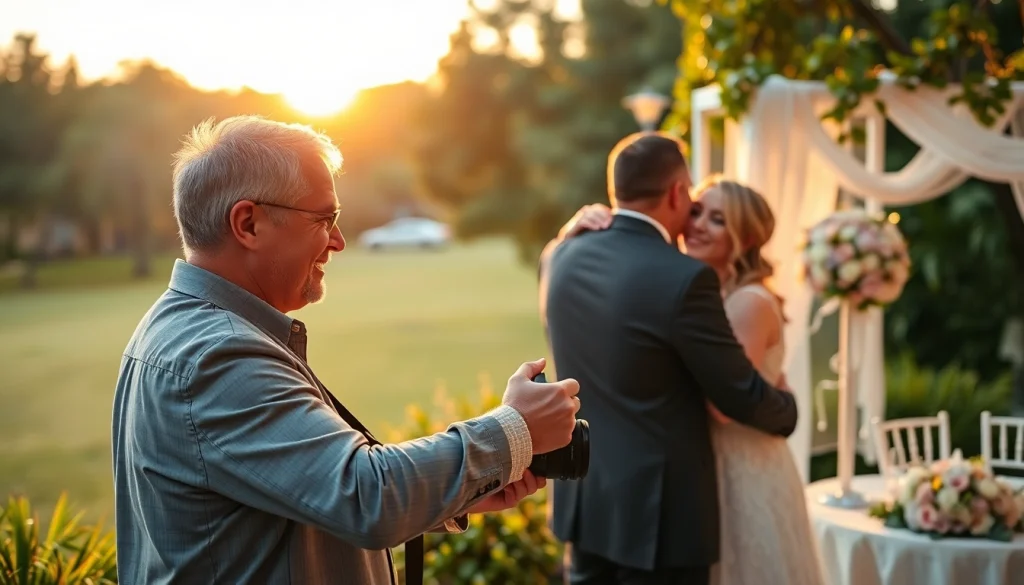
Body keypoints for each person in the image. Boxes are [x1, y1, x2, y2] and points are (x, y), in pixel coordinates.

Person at [111, 115, 582, 585]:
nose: (337, 241)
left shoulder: (178, 330)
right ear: (248, 223)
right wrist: (516, 430)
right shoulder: (217, 356)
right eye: (324, 219)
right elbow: (366, 496)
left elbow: (303, 486)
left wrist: (460, 491)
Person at [537, 132, 799, 585]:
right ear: (678, 192)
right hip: (660, 521)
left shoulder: (560, 255)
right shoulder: (683, 277)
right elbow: (736, 394)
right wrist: (789, 409)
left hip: (587, 500)